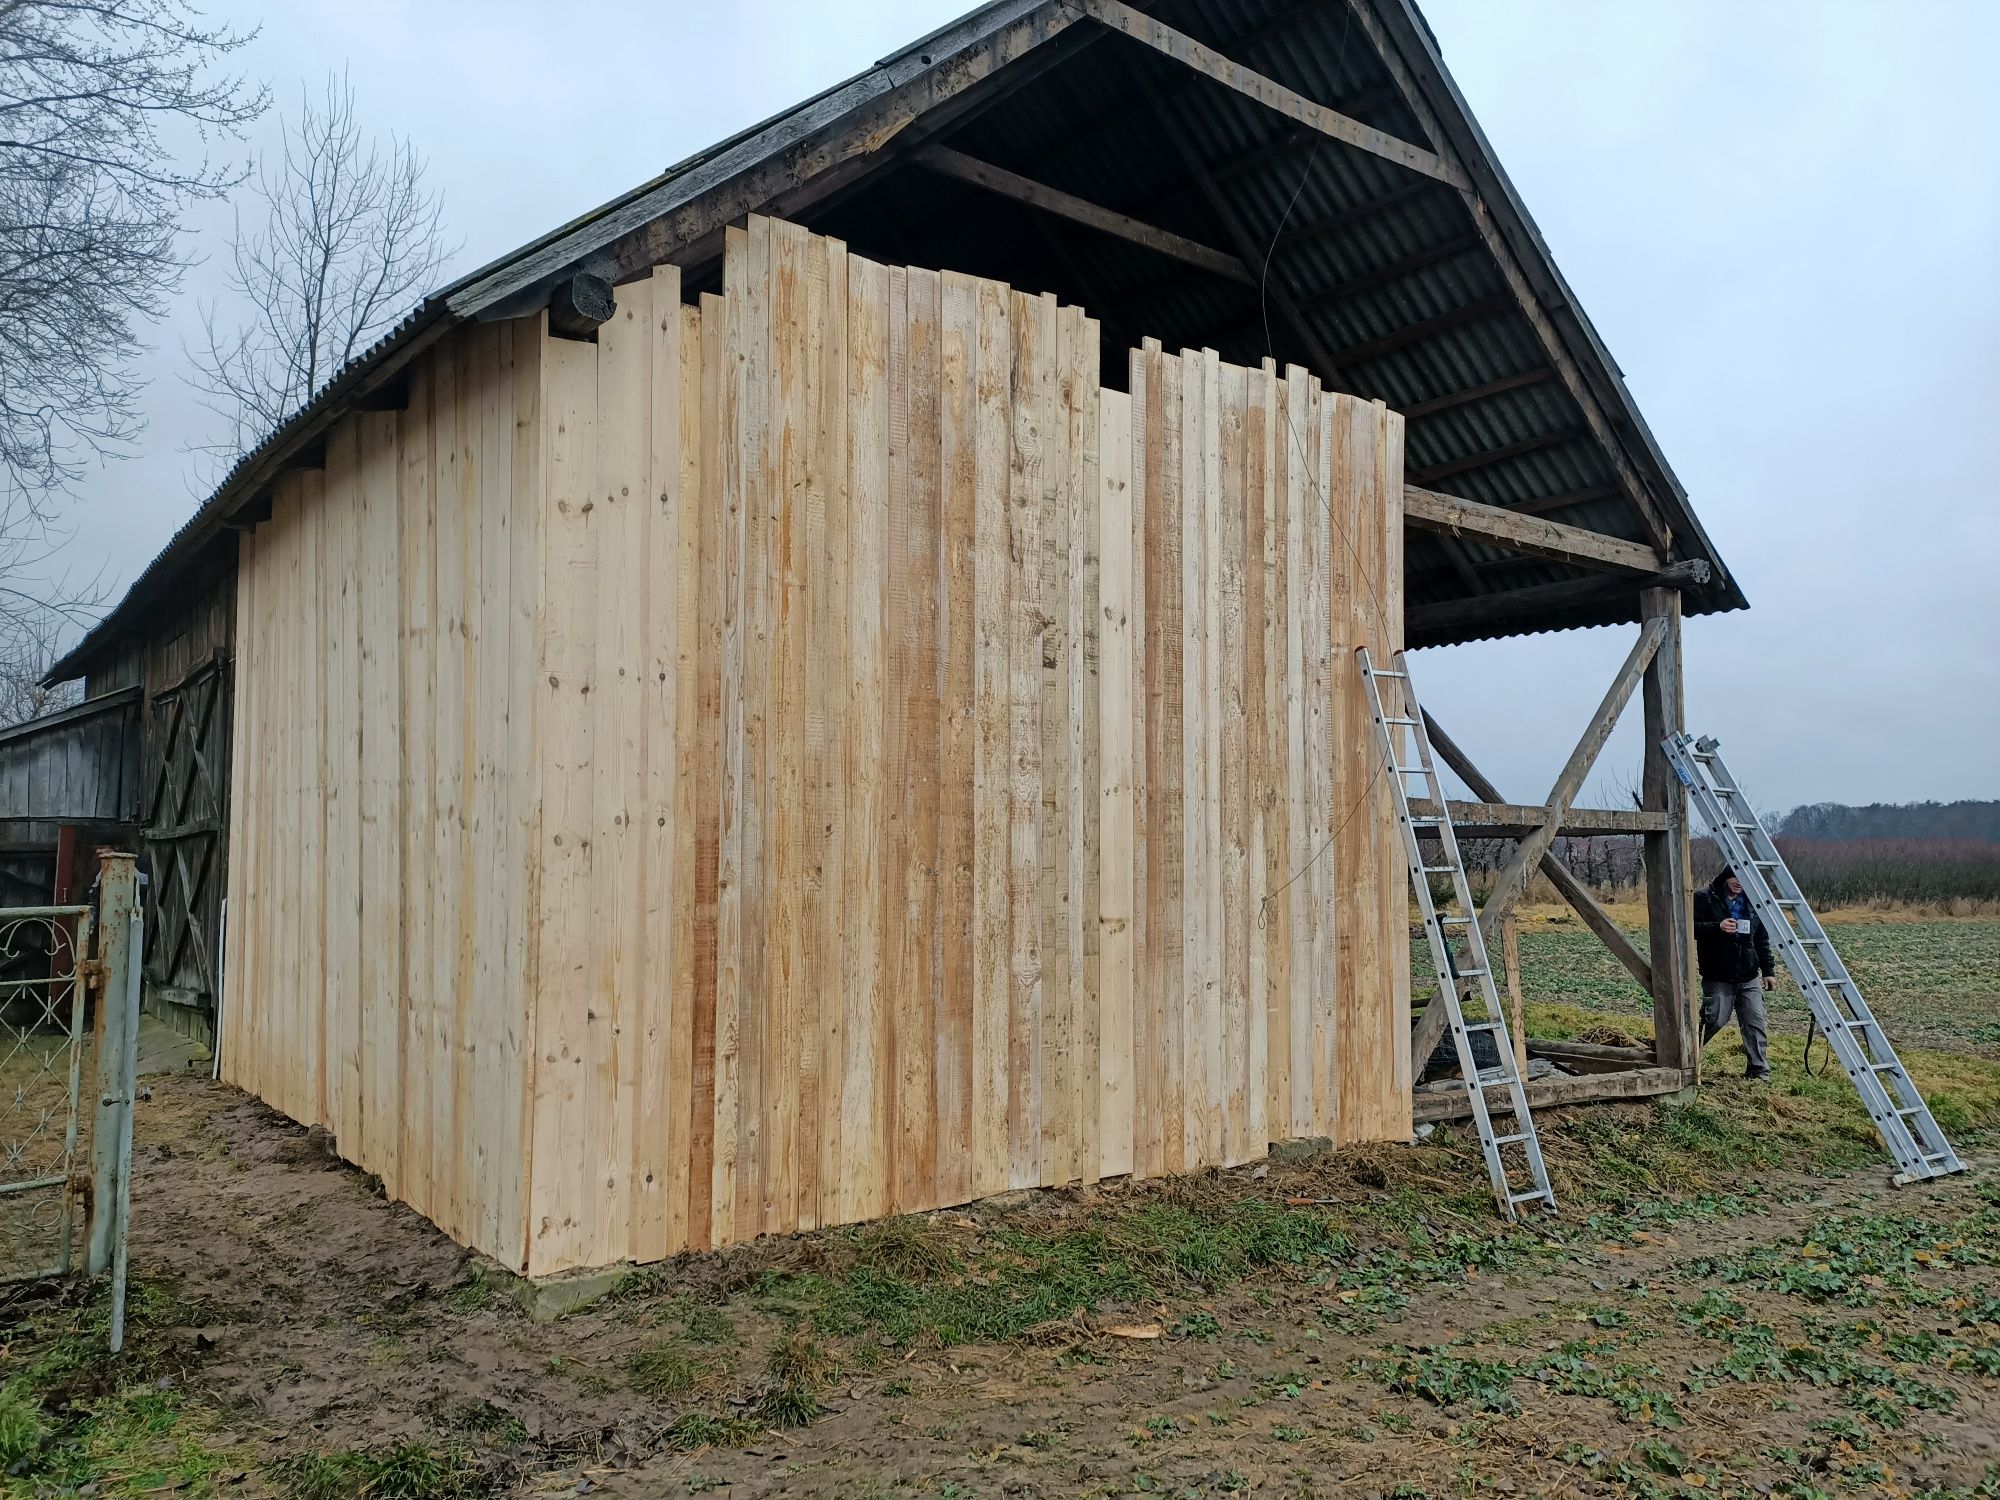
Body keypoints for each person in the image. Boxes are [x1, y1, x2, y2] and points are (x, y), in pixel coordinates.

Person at [1693, 867, 1777, 1079]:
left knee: (1755, 1021)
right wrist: (1717, 927)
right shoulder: (1703, 897)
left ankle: (1758, 1071)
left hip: (1748, 975)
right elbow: (1687, 927)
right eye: (1735, 878)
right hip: (1718, 975)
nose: (1739, 883)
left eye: (1743, 879)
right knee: (1714, 1020)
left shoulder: (1753, 902)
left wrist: (1768, 971)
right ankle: (1685, 1057)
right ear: (1725, 877)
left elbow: (1761, 939)